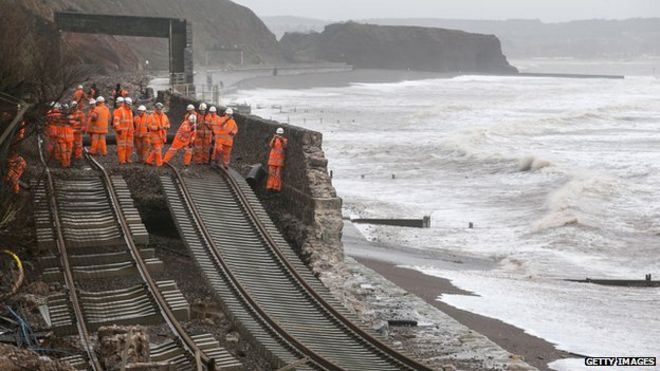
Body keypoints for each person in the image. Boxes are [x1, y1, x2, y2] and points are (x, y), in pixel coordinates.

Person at [146, 102, 170, 167]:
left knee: (156, 150)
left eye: (160, 109)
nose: (159, 110)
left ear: (162, 109)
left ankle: (149, 161)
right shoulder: (151, 116)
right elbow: (148, 125)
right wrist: (157, 128)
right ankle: (159, 164)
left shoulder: (165, 116)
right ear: (155, 109)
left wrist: (167, 127)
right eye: (157, 109)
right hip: (154, 136)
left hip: (162, 135)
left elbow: (168, 124)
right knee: (158, 150)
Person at [266, 127, 288, 192]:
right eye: (278, 134)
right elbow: (271, 145)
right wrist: (274, 139)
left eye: (280, 134)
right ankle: (270, 187)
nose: (279, 135)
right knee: (271, 174)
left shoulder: (285, 140)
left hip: (279, 161)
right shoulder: (274, 139)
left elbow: (285, 146)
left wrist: (281, 140)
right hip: (272, 160)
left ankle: (276, 188)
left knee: (277, 175)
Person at [124, 97, 135, 162]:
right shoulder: (121, 110)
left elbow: (132, 122)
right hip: (123, 132)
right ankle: (122, 160)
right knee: (123, 146)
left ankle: (127, 158)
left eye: (130, 105)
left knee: (129, 146)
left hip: (130, 132)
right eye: (129, 104)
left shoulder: (131, 111)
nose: (130, 106)